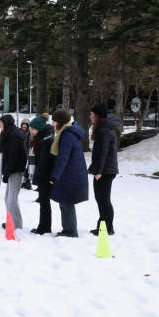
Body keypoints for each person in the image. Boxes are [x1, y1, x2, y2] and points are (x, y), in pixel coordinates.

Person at [49, 109, 89, 238]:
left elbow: (63, 158)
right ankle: (68, 229)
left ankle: (70, 231)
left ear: (60, 122)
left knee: (66, 202)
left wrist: (54, 176)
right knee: (65, 202)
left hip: (70, 174)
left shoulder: (67, 135)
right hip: (71, 173)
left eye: (54, 121)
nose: (53, 123)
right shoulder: (68, 132)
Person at [88, 102, 119, 236]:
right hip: (103, 170)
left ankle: (108, 228)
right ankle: (102, 226)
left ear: (98, 116)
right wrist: (92, 167)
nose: (90, 116)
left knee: (104, 200)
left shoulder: (105, 130)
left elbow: (103, 153)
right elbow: (98, 152)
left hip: (106, 171)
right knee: (100, 199)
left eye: (92, 114)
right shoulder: (103, 128)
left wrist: (99, 171)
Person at [0, 115, 27, 230]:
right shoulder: (9, 135)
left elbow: (13, 158)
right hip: (12, 171)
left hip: (16, 171)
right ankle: (12, 222)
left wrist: (6, 173)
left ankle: (15, 225)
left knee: (12, 199)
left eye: (1, 124)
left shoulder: (14, 137)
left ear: (6, 123)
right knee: (8, 198)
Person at [29, 114, 55, 234]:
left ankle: (44, 228)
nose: (31, 131)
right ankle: (44, 227)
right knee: (44, 202)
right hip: (45, 175)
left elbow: (43, 162)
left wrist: (36, 179)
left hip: (46, 176)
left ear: (39, 129)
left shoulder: (46, 141)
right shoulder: (43, 138)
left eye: (33, 129)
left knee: (44, 203)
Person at [20, 118, 34, 190]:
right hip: (21, 154)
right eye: (23, 127)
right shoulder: (19, 133)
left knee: (28, 169)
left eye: (26, 127)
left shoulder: (30, 134)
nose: (24, 129)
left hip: (28, 154)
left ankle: (27, 183)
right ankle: (21, 182)